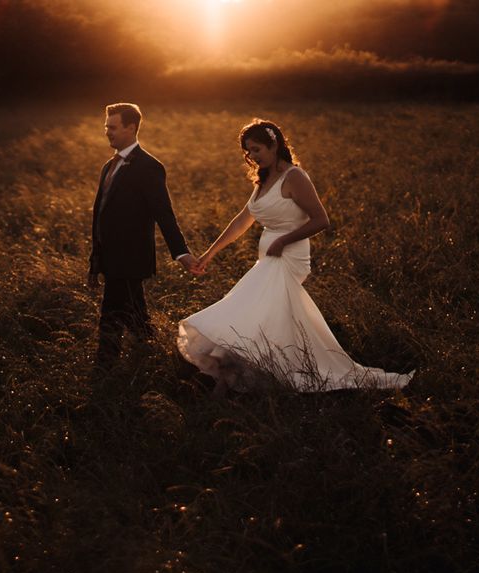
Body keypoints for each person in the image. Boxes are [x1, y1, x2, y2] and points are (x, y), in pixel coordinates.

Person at [177, 118, 415, 395]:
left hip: (289, 255)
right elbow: (242, 221)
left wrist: (284, 240)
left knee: (244, 305)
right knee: (265, 314)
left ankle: (228, 375)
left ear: (274, 143)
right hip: (268, 257)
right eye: (248, 152)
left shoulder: (295, 177)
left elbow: (321, 220)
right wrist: (209, 254)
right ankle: (240, 372)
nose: (252, 157)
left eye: (257, 150)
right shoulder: (263, 179)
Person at [88, 102, 200, 365]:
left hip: (130, 259)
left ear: (131, 128)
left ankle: (104, 369)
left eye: (113, 127)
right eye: (106, 126)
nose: (107, 132)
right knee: (136, 315)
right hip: (110, 258)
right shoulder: (109, 166)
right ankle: (154, 352)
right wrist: (95, 261)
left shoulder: (149, 167)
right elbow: (101, 216)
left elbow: (164, 214)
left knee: (111, 315)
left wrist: (181, 252)